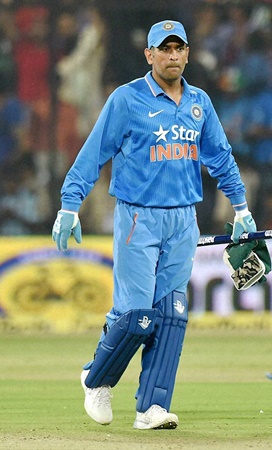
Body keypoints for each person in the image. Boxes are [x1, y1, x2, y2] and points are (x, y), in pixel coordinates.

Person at [52, 20, 257, 430]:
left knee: (173, 314)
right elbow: (94, 153)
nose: (172, 55)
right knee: (137, 315)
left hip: (183, 219)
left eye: (179, 48)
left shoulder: (199, 102)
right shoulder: (126, 99)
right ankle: (97, 379)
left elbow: (220, 157)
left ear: (187, 53)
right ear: (149, 55)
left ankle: (151, 408)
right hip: (138, 218)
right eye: (164, 49)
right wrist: (69, 205)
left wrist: (241, 208)